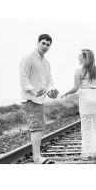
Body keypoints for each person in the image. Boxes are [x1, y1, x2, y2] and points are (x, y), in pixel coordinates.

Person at [19, 34, 59, 164]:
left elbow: (49, 81)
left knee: (39, 127)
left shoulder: (46, 63)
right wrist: (34, 91)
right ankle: (37, 158)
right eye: (43, 43)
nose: (45, 46)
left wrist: (51, 92)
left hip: (39, 100)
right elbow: (23, 80)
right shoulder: (28, 58)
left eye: (48, 45)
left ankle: (37, 156)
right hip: (30, 99)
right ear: (37, 42)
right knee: (36, 128)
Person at [60, 49, 96, 159]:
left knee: (86, 127)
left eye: (80, 56)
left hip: (86, 99)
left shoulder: (78, 71)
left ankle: (88, 152)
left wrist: (66, 92)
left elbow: (75, 88)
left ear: (85, 58)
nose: (78, 57)